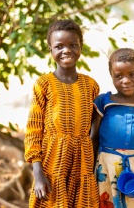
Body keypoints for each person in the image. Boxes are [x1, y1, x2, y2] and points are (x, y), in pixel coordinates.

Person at [24, 19, 100, 208]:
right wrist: (37, 172)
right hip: (53, 160)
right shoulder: (44, 84)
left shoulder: (90, 85)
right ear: (51, 50)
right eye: (59, 46)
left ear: (80, 47)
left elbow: (95, 128)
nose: (66, 50)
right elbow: (34, 129)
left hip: (83, 161)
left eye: (72, 45)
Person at [90, 48, 134, 208]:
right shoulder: (104, 102)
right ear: (111, 76)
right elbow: (93, 137)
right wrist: (90, 168)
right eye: (119, 76)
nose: (126, 80)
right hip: (106, 165)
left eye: (132, 74)